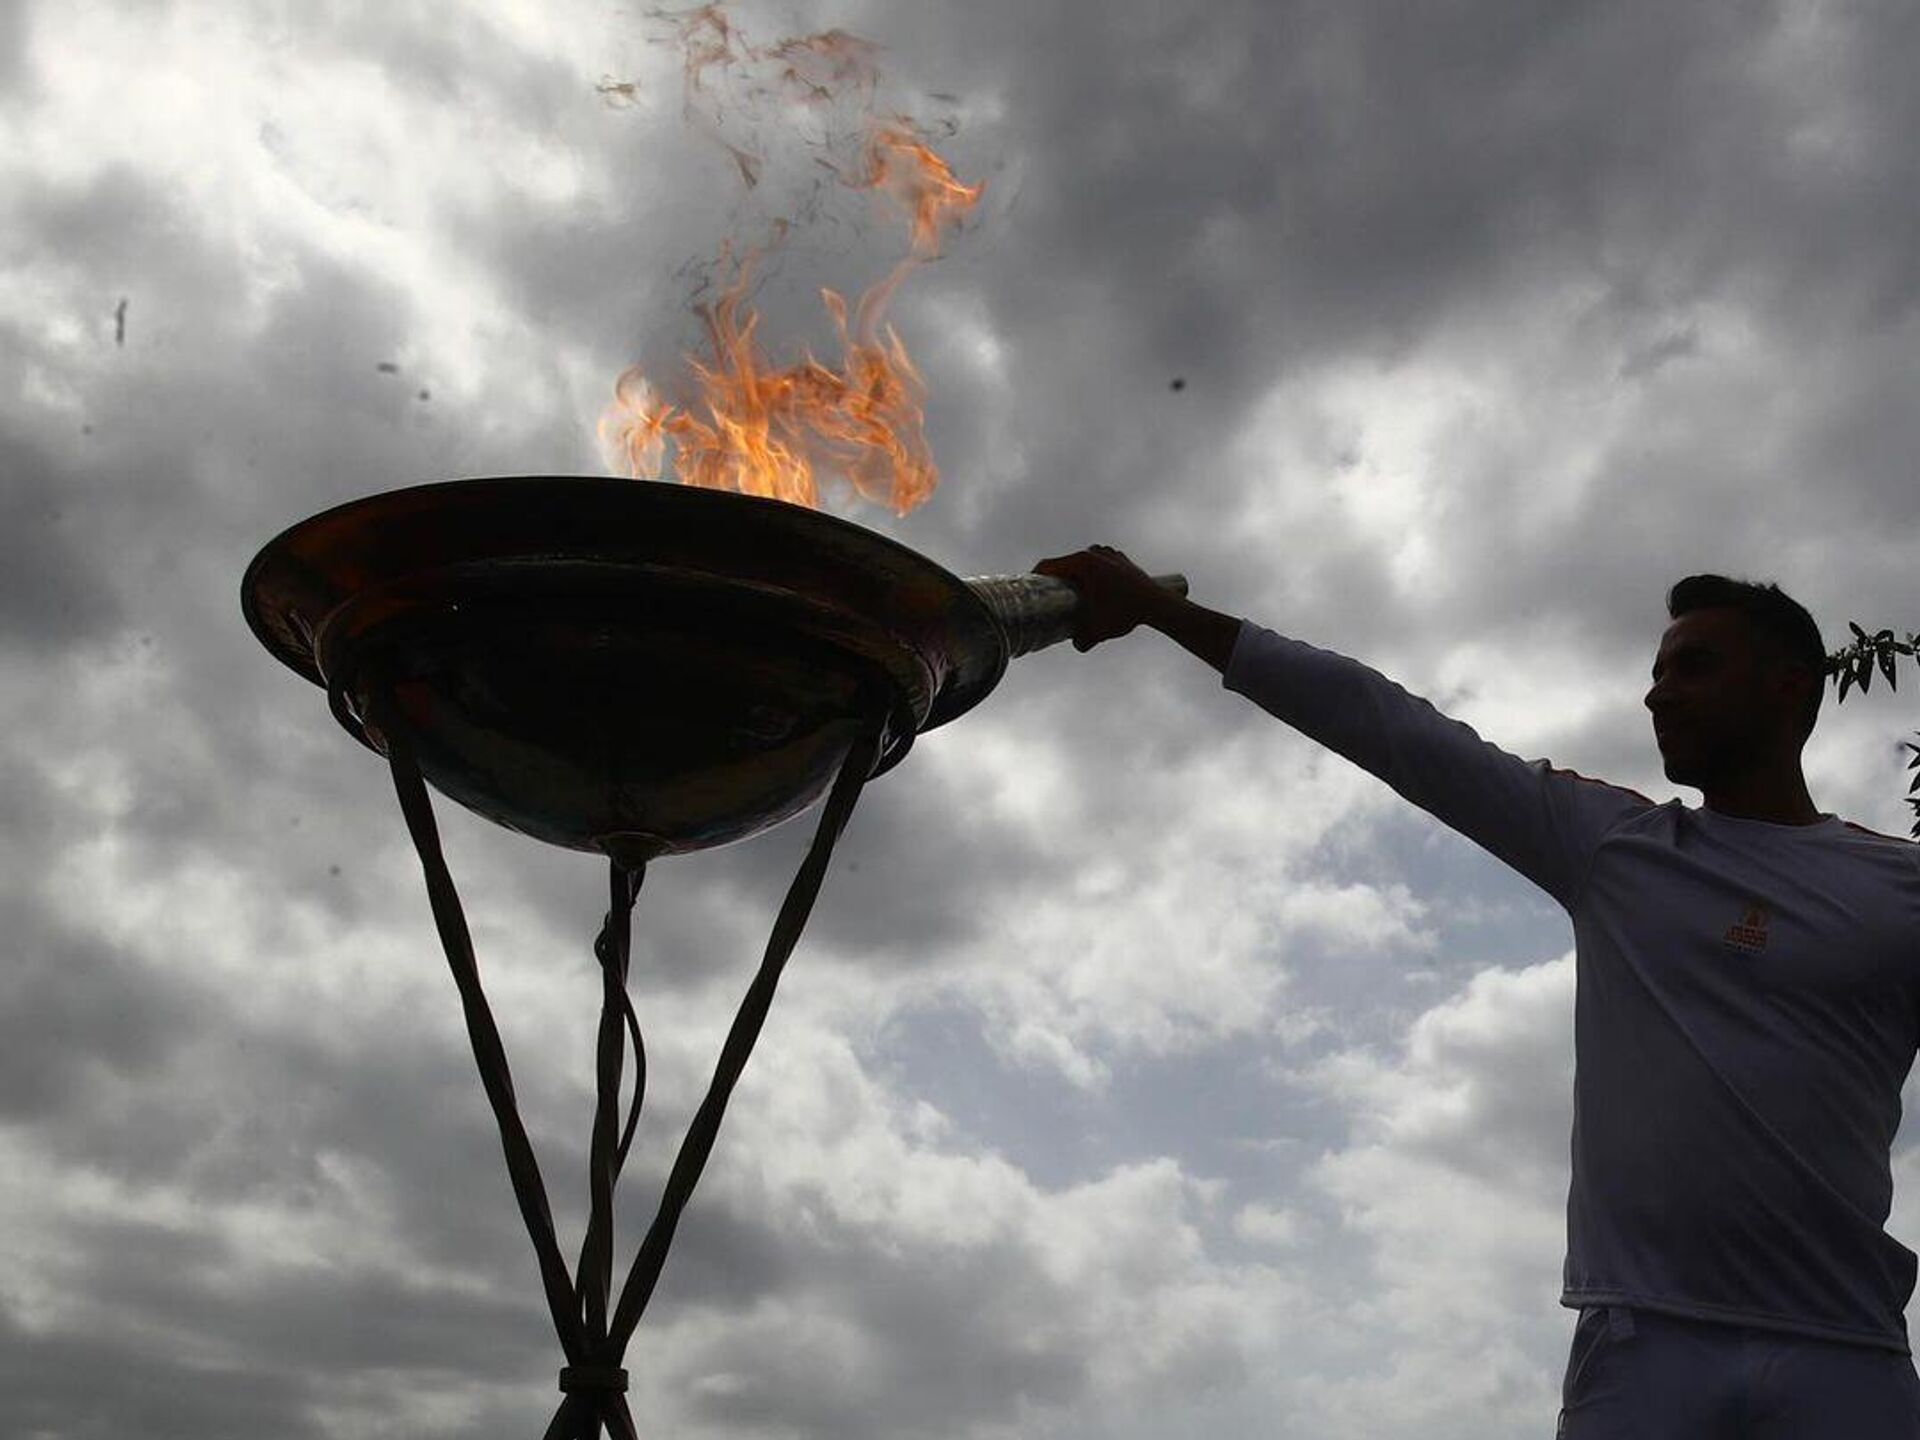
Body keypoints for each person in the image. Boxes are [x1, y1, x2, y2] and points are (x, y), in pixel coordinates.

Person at [1033, 545, 1920, 1439]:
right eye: (1655, 672)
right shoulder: (1615, 847)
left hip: (1844, 1351)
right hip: (1646, 1345)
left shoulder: (1899, 890)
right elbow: (1388, 725)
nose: (1657, 693)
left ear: (1790, 690)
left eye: (1695, 666)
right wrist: (1161, 610)